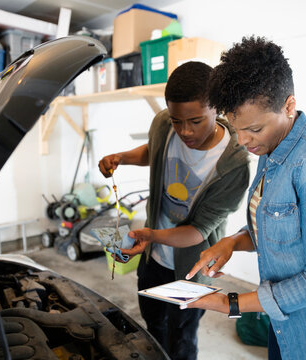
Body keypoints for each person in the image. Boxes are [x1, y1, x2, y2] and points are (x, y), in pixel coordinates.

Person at [184, 36, 306, 360]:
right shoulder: (271, 144)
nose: (243, 140)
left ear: (289, 106)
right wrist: (233, 242)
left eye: (253, 129)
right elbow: (280, 227)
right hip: (287, 320)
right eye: (237, 129)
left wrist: (231, 303)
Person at [98, 61, 250, 360]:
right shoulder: (163, 123)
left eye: (195, 121)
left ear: (216, 108)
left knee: (181, 336)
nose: (184, 131)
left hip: (192, 269)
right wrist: (121, 158)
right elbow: (153, 150)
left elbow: (197, 232)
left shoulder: (234, 165)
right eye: (177, 120)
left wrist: (149, 234)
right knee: (153, 325)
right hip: (154, 260)